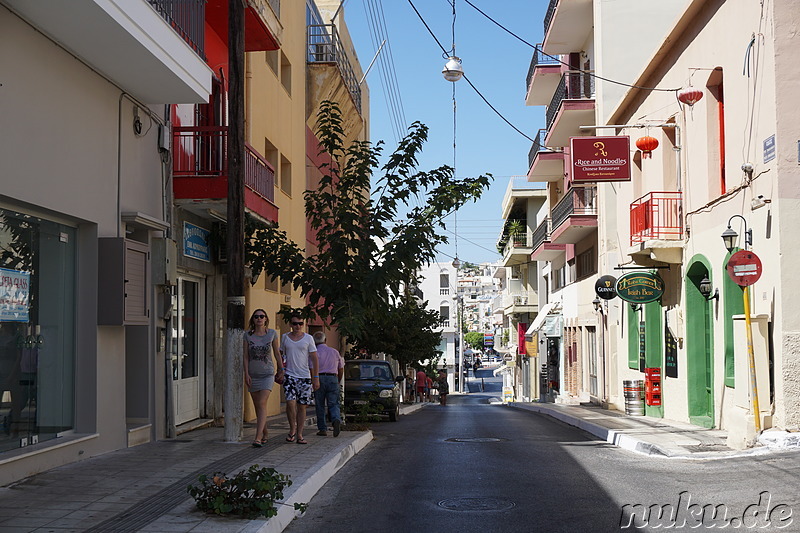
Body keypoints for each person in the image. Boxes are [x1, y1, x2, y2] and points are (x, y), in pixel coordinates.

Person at [243, 309, 283, 447]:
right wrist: (246, 374)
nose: (259, 319)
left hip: (267, 374)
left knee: (261, 403)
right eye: (256, 317)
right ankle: (265, 432)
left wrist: (281, 369)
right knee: (258, 406)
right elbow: (246, 356)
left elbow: (277, 353)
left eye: (261, 316)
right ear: (253, 320)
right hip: (253, 375)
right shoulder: (247, 335)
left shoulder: (272, 333)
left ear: (266, 319)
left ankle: (258, 437)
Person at [280, 315, 319, 445]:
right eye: (295, 323)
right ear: (291, 324)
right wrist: (280, 370)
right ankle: (292, 428)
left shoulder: (308, 338)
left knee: (302, 406)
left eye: (300, 324)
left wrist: (316, 377)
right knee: (290, 402)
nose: (297, 326)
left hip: (304, 376)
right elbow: (281, 355)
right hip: (289, 375)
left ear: (304, 324)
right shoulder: (285, 337)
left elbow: (314, 358)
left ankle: (300, 434)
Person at [313, 331, 344, 437]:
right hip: (332, 378)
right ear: (325, 340)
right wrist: (338, 380)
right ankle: (336, 419)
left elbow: (311, 368)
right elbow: (341, 368)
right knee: (334, 403)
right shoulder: (334, 352)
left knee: (320, 404)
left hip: (319, 378)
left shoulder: (314, 353)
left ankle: (322, 429)